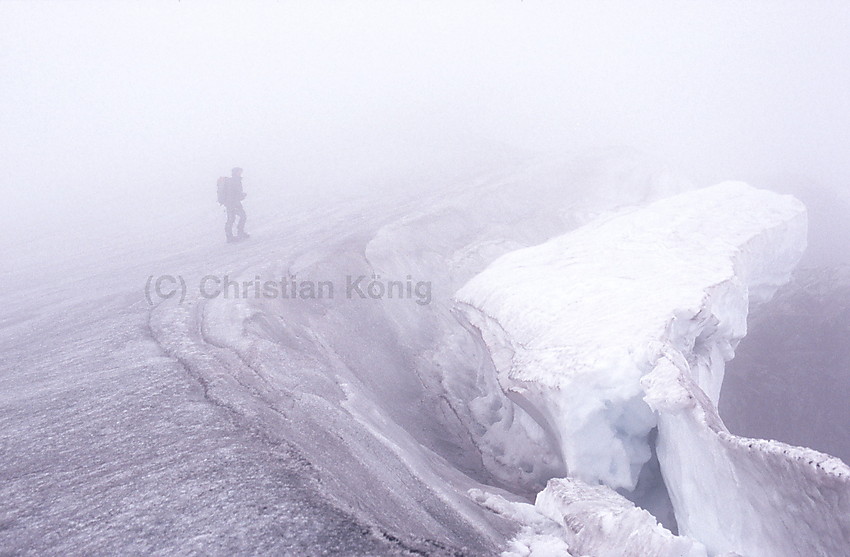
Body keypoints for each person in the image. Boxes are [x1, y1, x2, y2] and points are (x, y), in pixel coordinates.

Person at [221, 167, 249, 243]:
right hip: (233, 203)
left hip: (231, 203)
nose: (241, 173)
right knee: (240, 217)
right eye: (239, 172)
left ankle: (231, 235)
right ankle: (236, 234)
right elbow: (234, 193)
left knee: (232, 219)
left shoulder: (234, 180)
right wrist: (241, 196)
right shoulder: (234, 181)